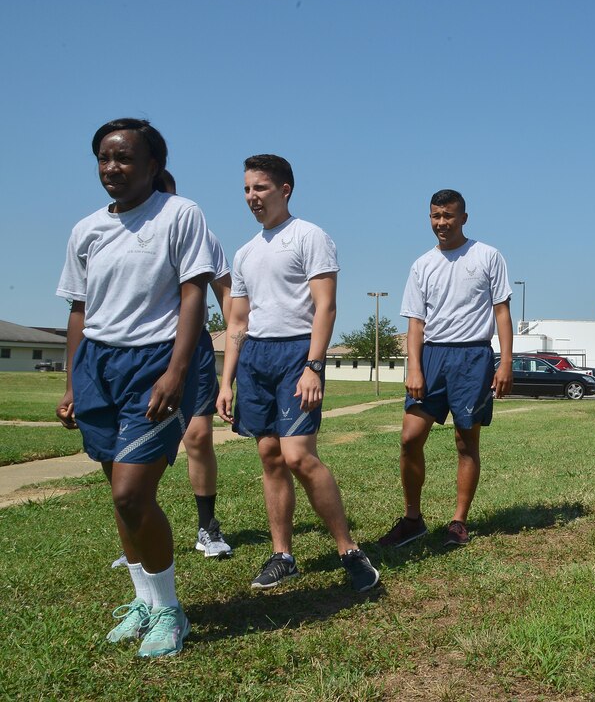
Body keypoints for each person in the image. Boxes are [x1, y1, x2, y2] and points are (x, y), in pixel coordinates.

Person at [57, 118, 215, 657]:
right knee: (120, 502)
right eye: (104, 158)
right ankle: (144, 602)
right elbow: (79, 310)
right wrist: (73, 378)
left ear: (153, 165)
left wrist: (176, 369)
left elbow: (194, 293)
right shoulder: (86, 230)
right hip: (98, 366)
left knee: (132, 493)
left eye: (124, 158)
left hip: (154, 362)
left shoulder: (179, 213)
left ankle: (172, 611)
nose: (111, 168)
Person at [216, 154, 378, 592]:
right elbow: (237, 322)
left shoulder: (310, 237)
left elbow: (326, 305)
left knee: (298, 457)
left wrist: (314, 365)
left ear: (285, 189)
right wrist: (226, 380)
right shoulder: (245, 252)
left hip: (296, 355)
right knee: (270, 457)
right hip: (256, 359)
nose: (252, 197)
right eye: (247, 189)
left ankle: (348, 550)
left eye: (261, 188)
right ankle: (282, 554)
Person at [378, 189, 513, 548]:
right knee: (409, 438)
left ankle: (458, 522)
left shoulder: (487, 256)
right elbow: (415, 324)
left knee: (465, 442)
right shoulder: (422, 264)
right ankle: (412, 519)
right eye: (435, 216)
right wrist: (414, 368)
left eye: (448, 216)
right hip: (432, 358)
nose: (441, 223)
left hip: (473, 358)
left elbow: (502, 312)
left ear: (463, 218)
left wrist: (506, 362)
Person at [111, 170, 232, 567]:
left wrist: (238, 349)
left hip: (188, 350)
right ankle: (139, 533)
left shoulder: (197, 233)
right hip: (134, 353)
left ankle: (206, 526)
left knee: (198, 436)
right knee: (127, 449)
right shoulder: (118, 233)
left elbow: (226, 295)